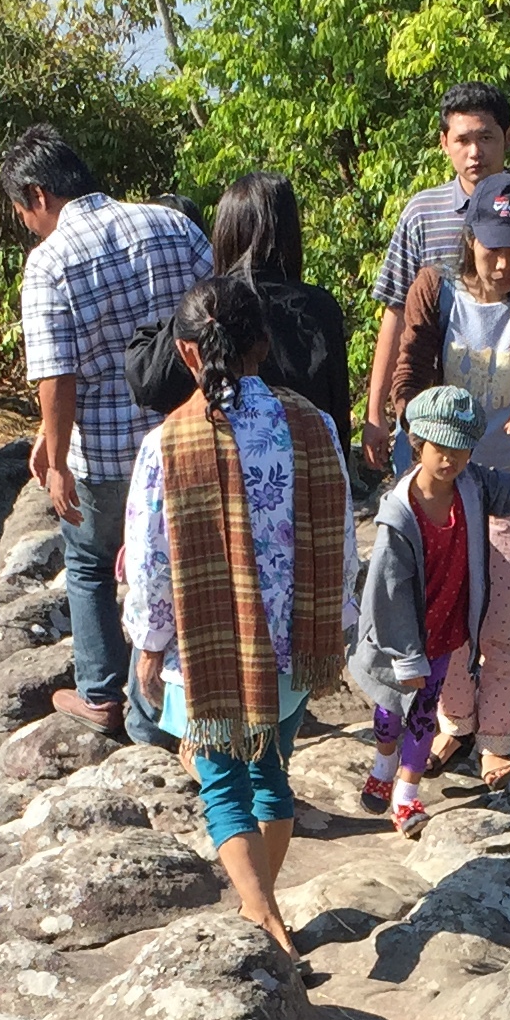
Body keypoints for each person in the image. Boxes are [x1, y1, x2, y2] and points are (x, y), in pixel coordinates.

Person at [121, 277, 350, 955]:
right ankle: (265, 904)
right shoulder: (312, 424)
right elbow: (338, 529)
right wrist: (335, 621)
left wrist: (149, 644)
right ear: (264, 342)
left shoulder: (168, 442)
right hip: (293, 638)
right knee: (271, 771)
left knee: (221, 781)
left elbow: (152, 557)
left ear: (188, 354)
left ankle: (264, 919)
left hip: (210, 647)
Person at [384, 172, 510, 789]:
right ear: (470, 234)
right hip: (447, 481)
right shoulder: (434, 287)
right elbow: (409, 372)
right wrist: (420, 432)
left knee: (502, 622)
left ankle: (497, 738)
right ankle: (456, 720)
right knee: (444, 616)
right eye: (492, 245)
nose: (503, 263)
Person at [6, 124, 213, 739]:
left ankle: (103, 693)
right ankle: (199, 690)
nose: (26, 224)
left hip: (110, 451)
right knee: (191, 558)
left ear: (38, 196)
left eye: (22, 211)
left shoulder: (49, 262)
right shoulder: (174, 225)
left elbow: (56, 375)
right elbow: (222, 314)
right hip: (193, 434)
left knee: (92, 562)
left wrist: (58, 458)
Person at [361, 84, 510, 475]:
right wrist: (376, 412)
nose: (475, 151)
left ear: (509, 137)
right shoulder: (422, 212)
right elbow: (396, 312)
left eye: (486, 137)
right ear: (444, 142)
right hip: (432, 428)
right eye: (462, 139)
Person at [350, 384, 490, 837]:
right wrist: (406, 655)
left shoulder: (470, 489)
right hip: (400, 637)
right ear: (419, 444)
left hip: (446, 627)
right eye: (440, 448)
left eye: (461, 450)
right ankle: (383, 761)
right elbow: (387, 593)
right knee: (390, 709)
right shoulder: (398, 512)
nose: (450, 460)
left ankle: (406, 797)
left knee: (426, 710)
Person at [129, 170, 350, 424]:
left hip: (221, 454)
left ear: (225, 232)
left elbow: (148, 383)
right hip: (306, 454)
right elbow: (337, 411)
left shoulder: (215, 305)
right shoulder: (320, 308)